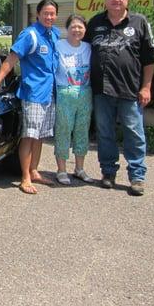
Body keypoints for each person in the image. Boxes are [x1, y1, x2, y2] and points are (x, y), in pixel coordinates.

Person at [84, 0, 154, 196]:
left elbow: (150, 59)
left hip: (130, 91)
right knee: (105, 133)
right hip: (101, 91)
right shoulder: (95, 23)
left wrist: (146, 88)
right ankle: (108, 172)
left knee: (134, 133)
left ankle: (137, 176)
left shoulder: (139, 22)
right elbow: (83, 54)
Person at [0, 0, 60, 194]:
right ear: (37, 14)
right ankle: (25, 177)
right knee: (28, 136)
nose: (49, 17)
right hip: (33, 93)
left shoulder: (54, 34)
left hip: (49, 93)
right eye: (46, 13)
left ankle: (34, 171)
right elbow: (11, 59)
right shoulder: (30, 35)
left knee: (40, 136)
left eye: (52, 14)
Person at [53, 15, 94, 185]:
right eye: (73, 27)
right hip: (65, 93)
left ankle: (79, 168)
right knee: (63, 130)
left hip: (85, 93)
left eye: (80, 27)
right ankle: (61, 170)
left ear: (85, 30)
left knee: (82, 130)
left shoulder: (88, 47)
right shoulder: (58, 45)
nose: (77, 30)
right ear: (67, 28)